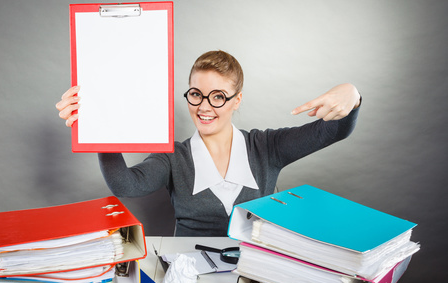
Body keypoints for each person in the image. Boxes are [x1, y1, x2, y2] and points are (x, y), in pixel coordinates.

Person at [56, 50, 361, 236]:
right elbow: (126, 186)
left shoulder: (267, 146)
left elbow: (332, 131)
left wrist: (352, 94)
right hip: (188, 278)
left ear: (236, 100)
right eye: (196, 94)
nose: (204, 107)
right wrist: (96, 129)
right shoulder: (172, 156)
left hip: (256, 275)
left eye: (218, 97)